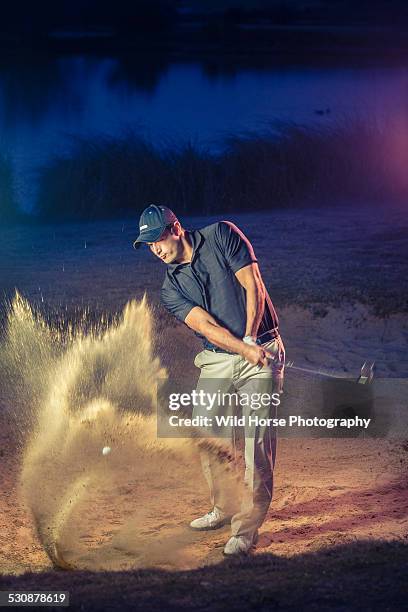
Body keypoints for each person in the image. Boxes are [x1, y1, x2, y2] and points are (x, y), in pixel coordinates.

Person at [133, 204, 285, 555]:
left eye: (157, 239)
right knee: (206, 432)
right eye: (148, 245)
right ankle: (224, 506)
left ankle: (246, 528)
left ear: (176, 228)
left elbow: (253, 285)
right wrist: (240, 348)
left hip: (262, 348)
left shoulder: (221, 235)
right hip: (219, 358)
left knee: (255, 442)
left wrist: (250, 340)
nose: (155, 249)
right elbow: (206, 327)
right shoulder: (171, 287)